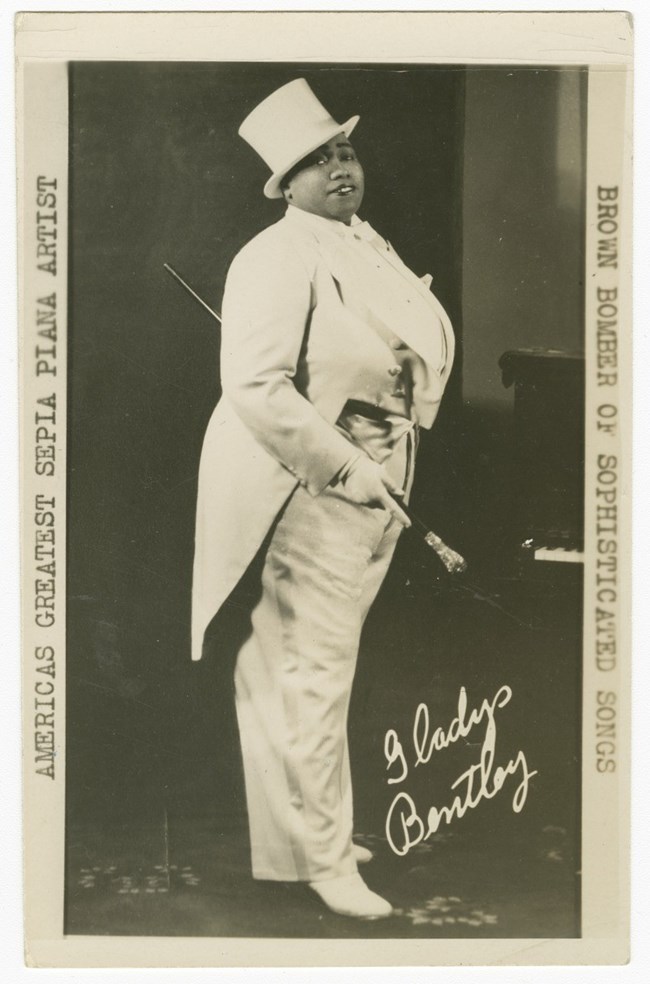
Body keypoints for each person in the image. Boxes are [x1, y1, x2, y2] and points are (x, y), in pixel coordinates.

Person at [191, 78, 455, 919]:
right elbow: (257, 388)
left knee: (320, 665)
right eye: (316, 159)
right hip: (304, 483)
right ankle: (318, 859)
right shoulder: (273, 255)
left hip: (377, 472)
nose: (339, 167)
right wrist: (346, 468)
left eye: (344, 150)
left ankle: (314, 837)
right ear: (286, 181)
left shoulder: (358, 241)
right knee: (302, 666)